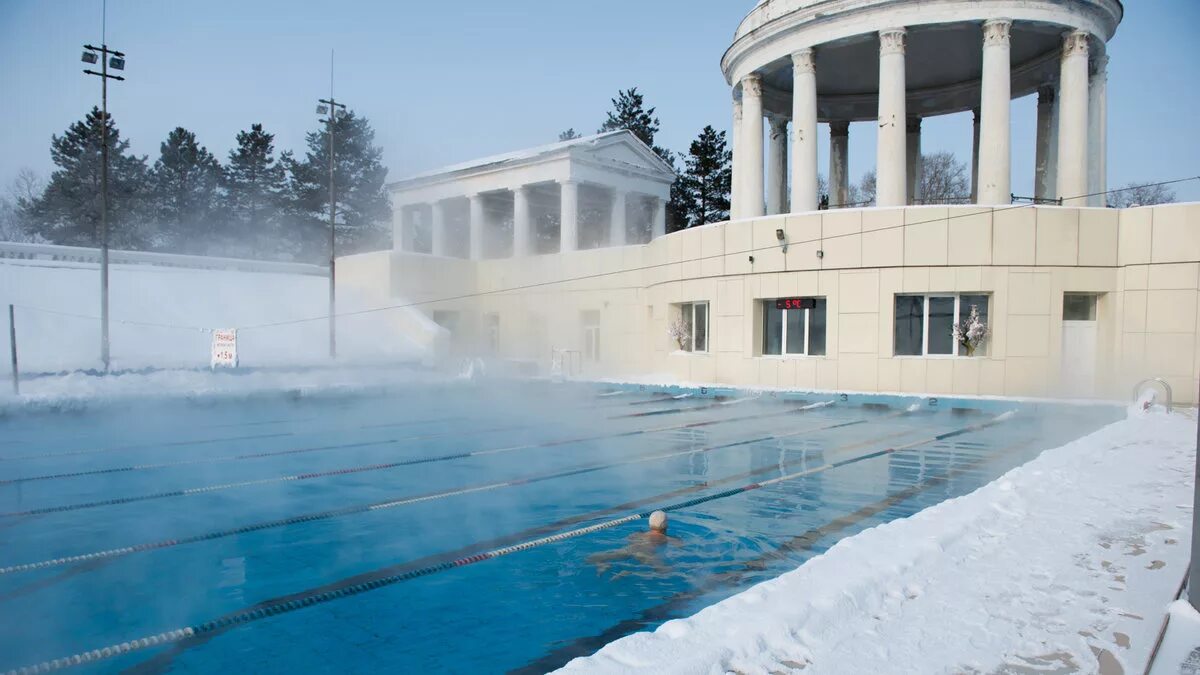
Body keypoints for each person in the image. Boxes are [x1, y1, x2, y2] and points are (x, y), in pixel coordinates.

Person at [587, 511, 681, 577]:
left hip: (629, 550)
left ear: (649, 524)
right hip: (646, 555)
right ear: (667, 525)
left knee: (591, 558)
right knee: (666, 572)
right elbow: (680, 547)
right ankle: (631, 573)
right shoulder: (668, 539)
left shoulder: (638, 534)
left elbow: (630, 538)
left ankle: (603, 564)